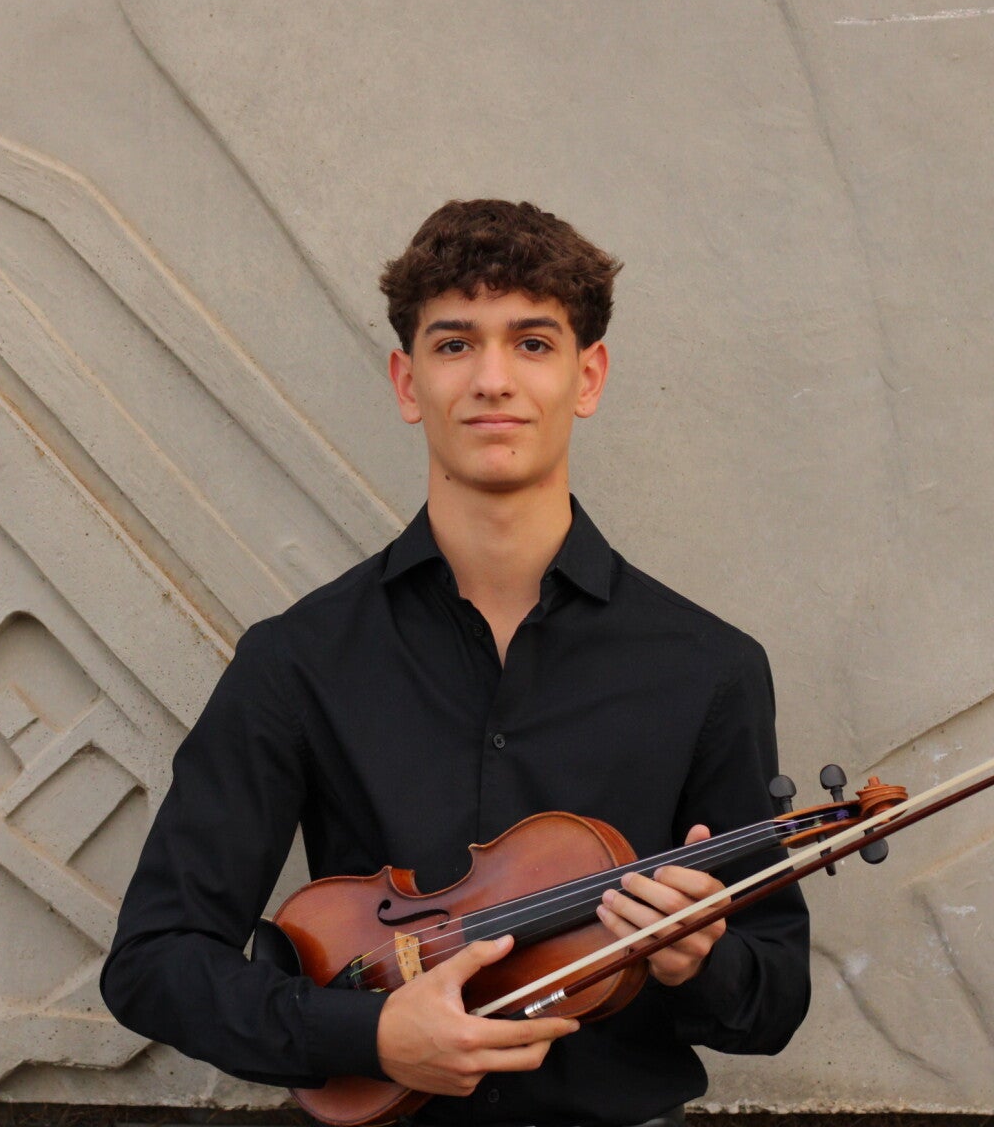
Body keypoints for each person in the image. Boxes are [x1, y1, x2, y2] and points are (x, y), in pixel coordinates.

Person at [100, 200, 810, 1126]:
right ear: (408, 382)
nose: (492, 379)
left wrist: (700, 960)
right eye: (454, 344)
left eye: (532, 343)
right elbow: (154, 962)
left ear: (587, 377)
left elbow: (775, 998)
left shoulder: (709, 667)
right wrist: (368, 1037)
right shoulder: (298, 660)